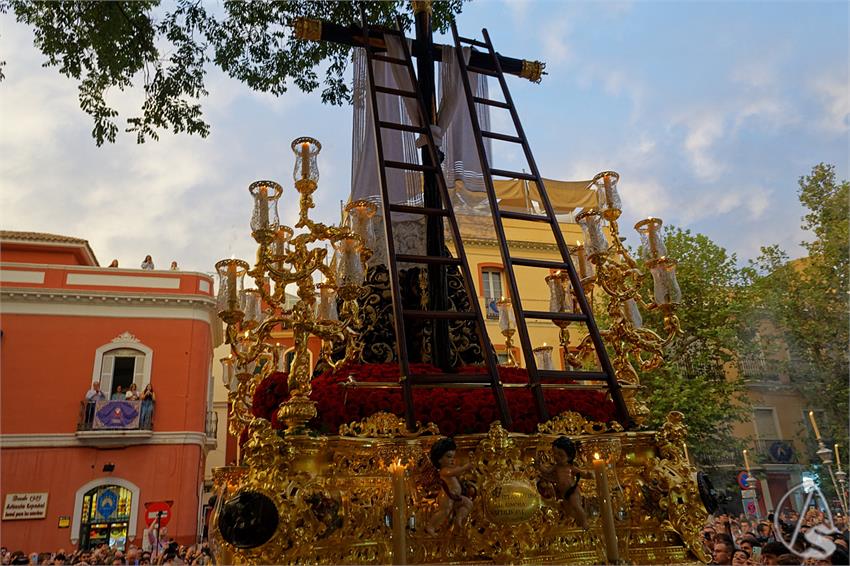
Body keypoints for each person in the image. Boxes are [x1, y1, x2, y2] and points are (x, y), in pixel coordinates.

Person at [537, 436, 588, 529]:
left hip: (572, 490)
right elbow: (547, 471)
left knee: (576, 506)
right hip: (563, 492)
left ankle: (584, 522)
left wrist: (588, 474)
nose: (556, 457)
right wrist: (539, 466)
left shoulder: (571, 467)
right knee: (568, 509)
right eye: (555, 454)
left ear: (569, 456)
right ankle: (574, 523)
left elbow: (581, 473)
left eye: (560, 455)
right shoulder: (556, 467)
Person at [425, 437, 473, 535]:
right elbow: (456, 471)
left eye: (453, 457)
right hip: (447, 496)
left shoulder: (450, 469)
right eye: (449, 457)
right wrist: (466, 467)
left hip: (455, 497)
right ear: (439, 460)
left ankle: (458, 519)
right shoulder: (444, 471)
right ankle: (430, 526)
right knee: (444, 511)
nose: (452, 460)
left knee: (468, 503)